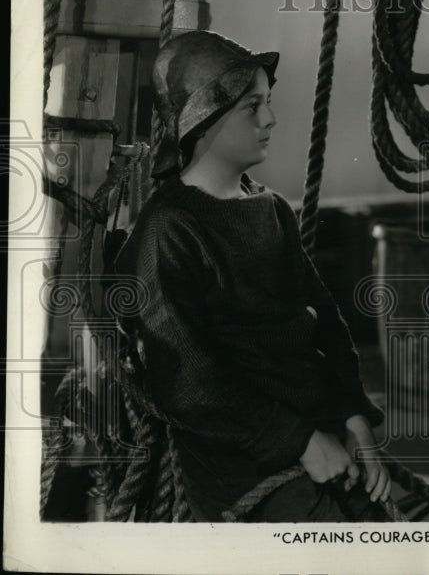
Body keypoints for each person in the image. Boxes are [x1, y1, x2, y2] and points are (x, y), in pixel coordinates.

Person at [115, 30, 391, 522]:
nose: (270, 119)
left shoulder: (270, 210)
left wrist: (354, 417)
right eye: (252, 106)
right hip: (238, 460)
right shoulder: (169, 229)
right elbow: (186, 379)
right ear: (203, 121)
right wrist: (301, 443)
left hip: (319, 434)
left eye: (268, 102)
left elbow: (327, 321)